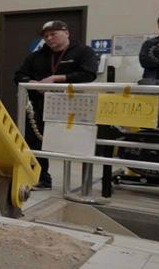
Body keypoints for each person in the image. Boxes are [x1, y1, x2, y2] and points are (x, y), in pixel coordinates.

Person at [14, 20, 100, 189]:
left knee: (74, 142)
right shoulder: (36, 56)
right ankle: (41, 177)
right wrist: (33, 83)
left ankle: (83, 186)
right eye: (46, 36)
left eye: (53, 34)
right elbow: (18, 76)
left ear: (66, 33)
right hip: (40, 105)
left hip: (72, 106)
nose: (49, 38)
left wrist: (56, 79)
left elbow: (88, 74)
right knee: (34, 141)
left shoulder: (84, 52)